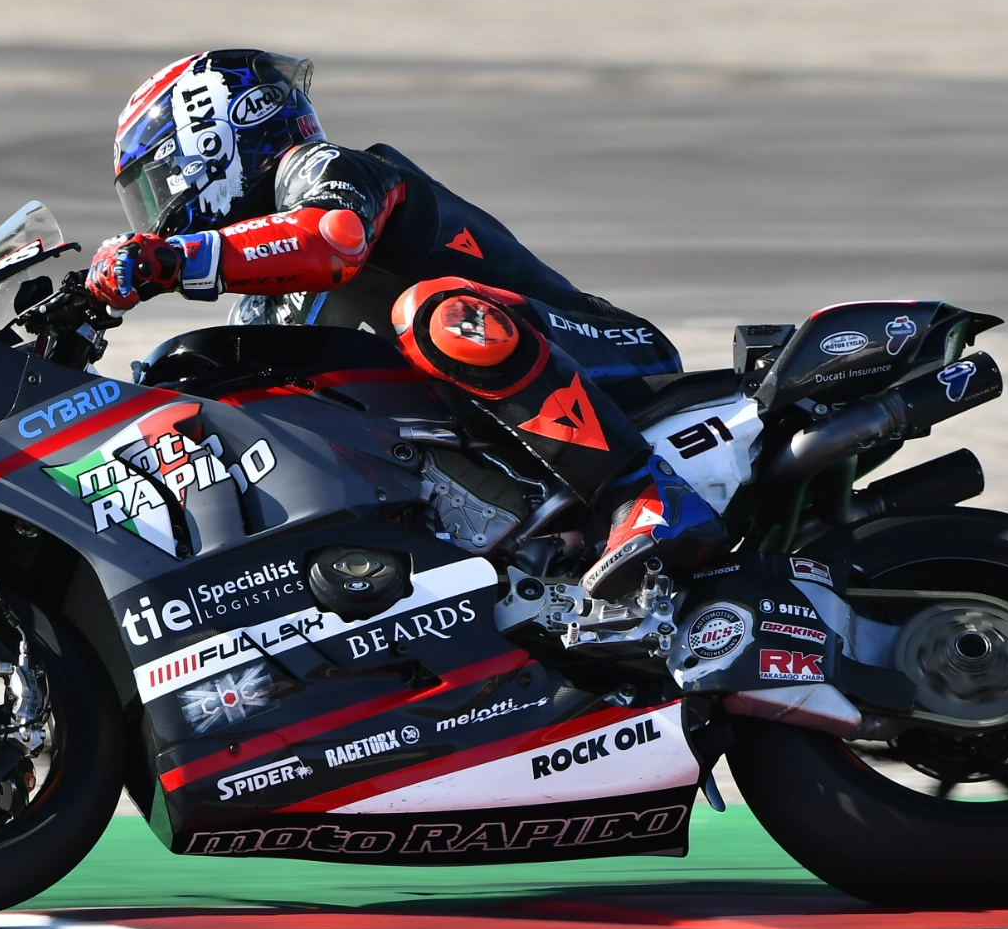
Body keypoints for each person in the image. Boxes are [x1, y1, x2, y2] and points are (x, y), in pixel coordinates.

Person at [86, 48, 723, 599]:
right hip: (493, 432)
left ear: (211, 139)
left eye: (156, 183)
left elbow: (331, 241)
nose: (156, 214)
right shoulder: (256, 309)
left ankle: (643, 494)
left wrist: (175, 259)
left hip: (601, 350)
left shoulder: (328, 169)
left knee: (430, 314)